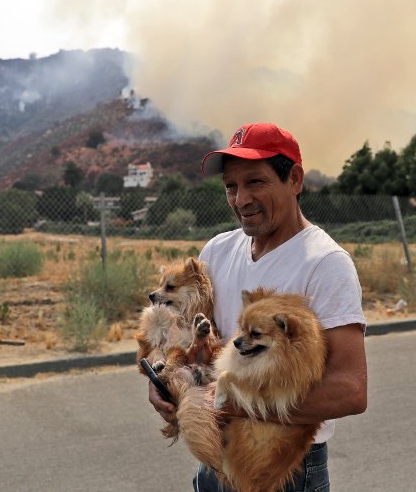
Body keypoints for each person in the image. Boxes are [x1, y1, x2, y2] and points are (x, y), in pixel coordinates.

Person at [148, 122, 368, 491]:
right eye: (231, 186)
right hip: (218, 461)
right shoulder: (217, 251)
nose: (241, 199)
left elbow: (349, 390)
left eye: (255, 182)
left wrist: (228, 402)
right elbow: (197, 345)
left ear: (295, 179)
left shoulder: (325, 262)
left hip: (283, 467)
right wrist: (166, 383)